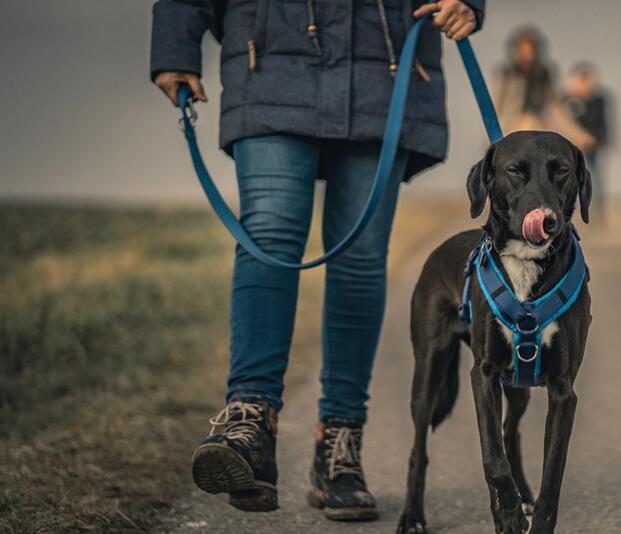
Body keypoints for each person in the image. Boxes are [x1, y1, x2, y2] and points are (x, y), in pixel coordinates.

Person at [149, 0, 485, 521]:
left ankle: (340, 446)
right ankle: (250, 423)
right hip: (269, 58)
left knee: (361, 256)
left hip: (384, 63)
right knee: (269, 234)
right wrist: (175, 40)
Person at [493, 26, 595, 152]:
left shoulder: (542, 74)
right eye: (522, 50)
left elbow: (556, 107)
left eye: (530, 50)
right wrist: (493, 136)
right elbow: (497, 105)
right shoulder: (508, 74)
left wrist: (578, 135)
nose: (526, 55)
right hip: (511, 127)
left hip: (537, 125)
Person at [563, 62, 612, 221]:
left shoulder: (598, 100)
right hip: (572, 145)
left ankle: (597, 213)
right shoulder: (567, 99)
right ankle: (568, 211)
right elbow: (561, 120)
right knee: (568, 177)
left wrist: (600, 140)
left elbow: (604, 122)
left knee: (595, 178)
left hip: (592, 145)